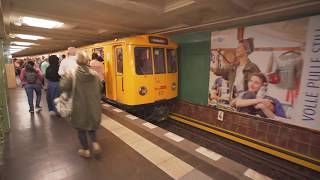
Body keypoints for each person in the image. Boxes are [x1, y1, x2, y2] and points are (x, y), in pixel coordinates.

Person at [59, 51, 102, 158]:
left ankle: (86, 150)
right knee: (91, 126)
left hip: (78, 106)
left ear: (77, 61)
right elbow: (100, 88)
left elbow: (63, 86)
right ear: (87, 60)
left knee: (81, 128)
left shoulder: (72, 74)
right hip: (93, 105)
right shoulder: (95, 74)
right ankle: (95, 144)